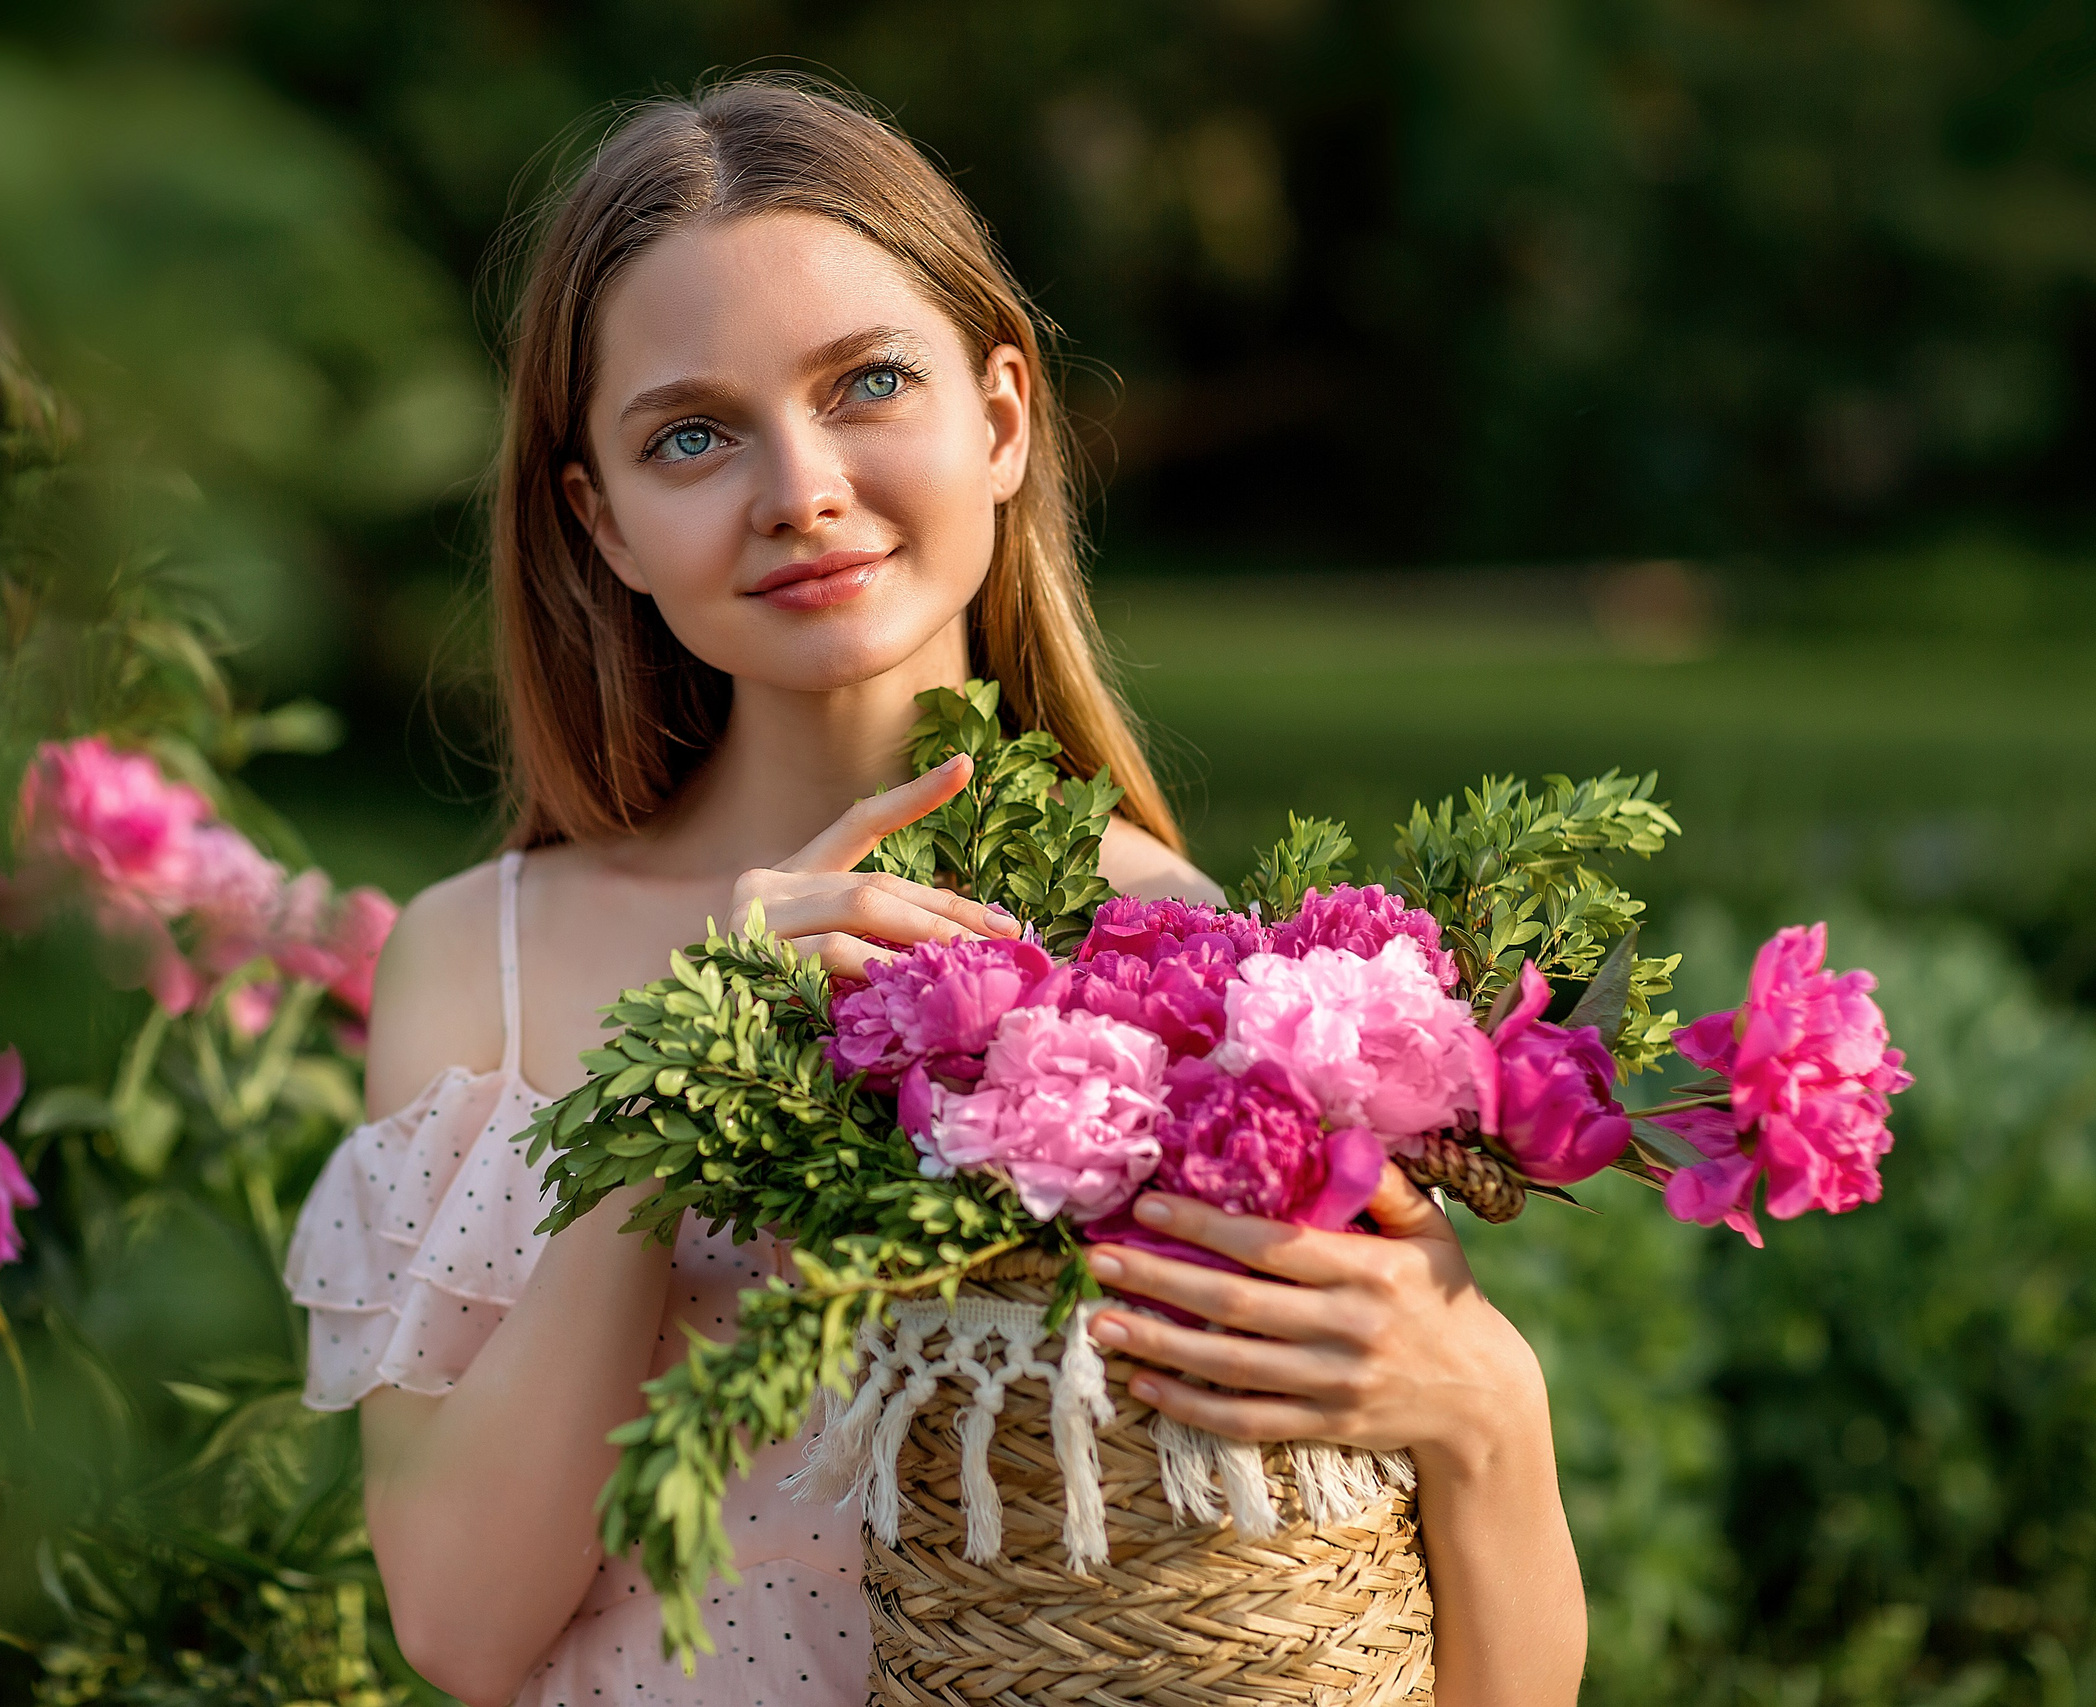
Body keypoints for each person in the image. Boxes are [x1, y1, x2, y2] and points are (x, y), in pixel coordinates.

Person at [284, 77, 1585, 1707]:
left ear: (1003, 415)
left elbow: (1367, 1649)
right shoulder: (487, 965)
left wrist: (1489, 1416)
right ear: (600, 521)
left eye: (867, 384)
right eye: (692, 434)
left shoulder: (1193, 969)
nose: (799, 487)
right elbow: (463, 1631)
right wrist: (683, 1070)